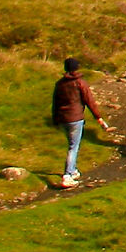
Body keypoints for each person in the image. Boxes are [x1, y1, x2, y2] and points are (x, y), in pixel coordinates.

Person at [50, 57, 109, 187]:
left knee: (71, 144)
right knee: (73, 147)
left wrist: (55, 119)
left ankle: (73, 170)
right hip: (76, 118)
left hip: (63, 119)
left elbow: (55, 103)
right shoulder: (80, 83)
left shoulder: (59, 84)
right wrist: (98, 117)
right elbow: (89, 101)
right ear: (77, 68)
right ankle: (67, 175)